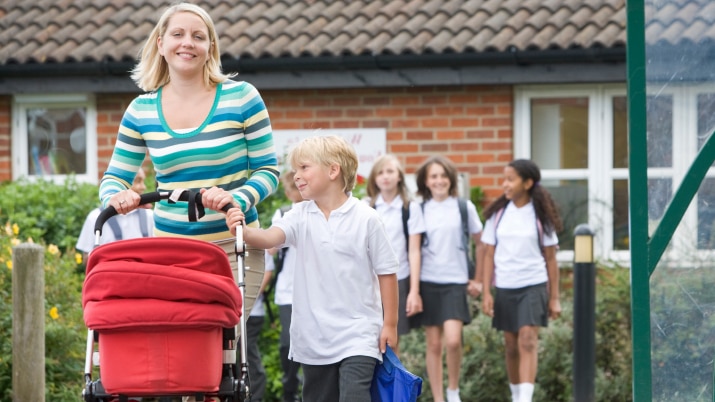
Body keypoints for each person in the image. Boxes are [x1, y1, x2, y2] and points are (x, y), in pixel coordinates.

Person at [97, 2, 279, 319]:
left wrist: (234, 198)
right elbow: (115, 177)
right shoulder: (141, 110)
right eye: (178, 34)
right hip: (171, 253)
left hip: (234, 248)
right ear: (161, 44)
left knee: (225, 350)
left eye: (198, 36)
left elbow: (268, 171)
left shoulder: (242, 98)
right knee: (183, 351)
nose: (187, 43)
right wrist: (116, 196)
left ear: (210, 48)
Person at [225, 135, 399, 402]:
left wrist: (390, 324)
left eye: (304, 167)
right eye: (295, 169)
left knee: (355, 396)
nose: (296, 176)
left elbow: (387, 272)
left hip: (359, 333)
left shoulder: (367, 218)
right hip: (313, 336)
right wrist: (244, 231)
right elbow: (270, 238)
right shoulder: (298, 214)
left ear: (333, 170)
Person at [480, 159, 563, 402]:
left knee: (527, 338)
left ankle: (525, 399)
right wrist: (486, 293)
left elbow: (551, 259)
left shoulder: (541, 217)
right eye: (504, 179)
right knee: (511, 344)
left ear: (527, 183)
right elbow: (488, 255)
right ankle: (516, 395)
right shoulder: (497, 215)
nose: (505, 184)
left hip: (533, 284)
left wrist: (555, 298)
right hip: (505, 286)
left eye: (510, 179)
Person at [413, 155, 483, 402]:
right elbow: (414, 249)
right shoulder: (419, 209)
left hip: (456, 281)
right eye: (434, 176)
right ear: (426, 181)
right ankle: (438, 397)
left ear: (451, 179)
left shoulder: (464, 207)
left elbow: (481, 242)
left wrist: (479, 279)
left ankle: (453, 391)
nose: (439, 180)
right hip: (429, 281)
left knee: (453, 341)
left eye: (443, 176)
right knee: (433, 344)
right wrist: (414, 290)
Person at [364, 154, 425, 356]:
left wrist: (413, 291)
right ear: (374, 179)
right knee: (369, 339)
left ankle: (391, 387)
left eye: (390, 171)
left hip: (398, 280)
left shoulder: (410, 209)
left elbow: (414, 251)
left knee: (391, 341)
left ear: (400, 176)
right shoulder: (366, 207)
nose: (385, 177)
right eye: (380, 172)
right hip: (368, 282)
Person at [271, 170, 304, 402]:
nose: (286, 191)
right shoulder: (283, 214)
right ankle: (290, 388)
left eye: (289, 186)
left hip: (314, 291)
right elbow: (272, 246)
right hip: (287, 291)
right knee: (287, 343)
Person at [76, 167, 153, 259]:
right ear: (120, 185)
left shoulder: (149, 215)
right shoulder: (95, 218)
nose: (143, 187)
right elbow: (87, 258)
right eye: (138, 181)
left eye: (143, 181)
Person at [245, 250, 275, 402]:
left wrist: (249, 298)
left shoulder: (260, 238)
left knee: (248, 351)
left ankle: (255, 396)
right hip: (233, 312)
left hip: (253, 312)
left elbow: (268, 271)